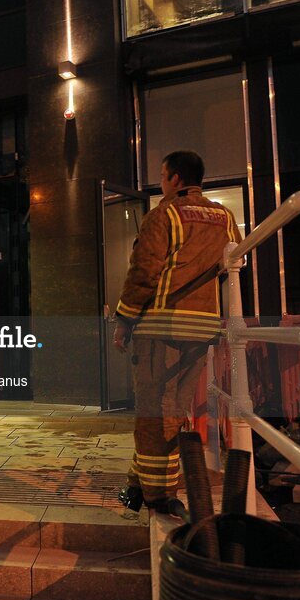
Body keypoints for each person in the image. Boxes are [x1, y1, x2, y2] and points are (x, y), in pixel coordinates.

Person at [113, 150, 241, 514]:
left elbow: (143, 274)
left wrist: (124, 321)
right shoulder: (225, 217)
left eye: (162, 176)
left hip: (162, 327)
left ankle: (157, 494)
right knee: (172, 409)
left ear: (174, 179)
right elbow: (230, 263)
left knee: (155, 411)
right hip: (202, 328)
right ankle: (137, 484)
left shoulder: (164, 214)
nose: (161, 183)